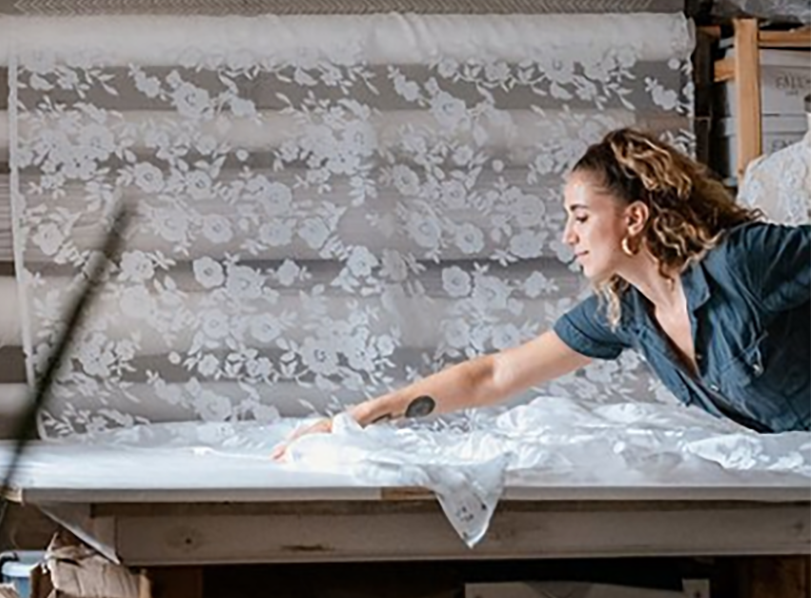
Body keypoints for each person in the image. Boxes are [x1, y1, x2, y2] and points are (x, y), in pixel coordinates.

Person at [279, 127, 811, 452]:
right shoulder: (627, 313)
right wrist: (354, 421)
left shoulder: (741, 262)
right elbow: (493, 375)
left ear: (635, 219)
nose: (568, 235)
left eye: (581, 216)